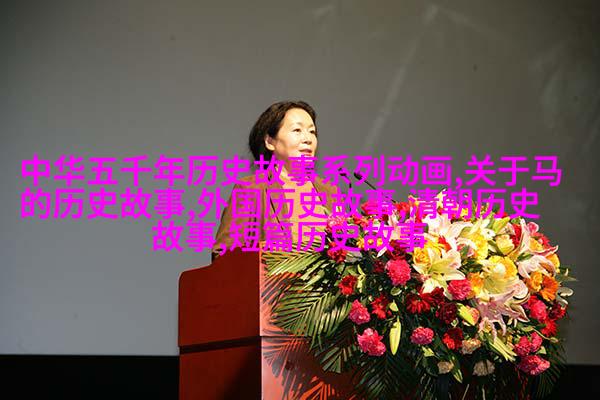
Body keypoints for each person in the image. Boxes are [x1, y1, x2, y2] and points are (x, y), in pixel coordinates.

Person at [211, 100, 341, 261]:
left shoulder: (330, 191)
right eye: (297, 130)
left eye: (312, 131)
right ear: (270, 142)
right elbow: (223, 255)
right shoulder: (251, 189)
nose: (308, 138)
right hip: (272, 278)